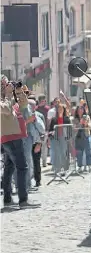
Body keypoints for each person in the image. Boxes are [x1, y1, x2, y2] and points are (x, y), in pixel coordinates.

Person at [1, 76, 39, 208]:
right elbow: (5, 109)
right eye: (6, 84)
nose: (8, 86)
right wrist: (7, 94)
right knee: (22, 167)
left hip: (14, 136)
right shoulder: (3, 99)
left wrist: (19, 91)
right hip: (11, 137)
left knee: (9, 168)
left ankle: (7, 199)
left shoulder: (10, 98)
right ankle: (23, 200)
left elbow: (23, 105)